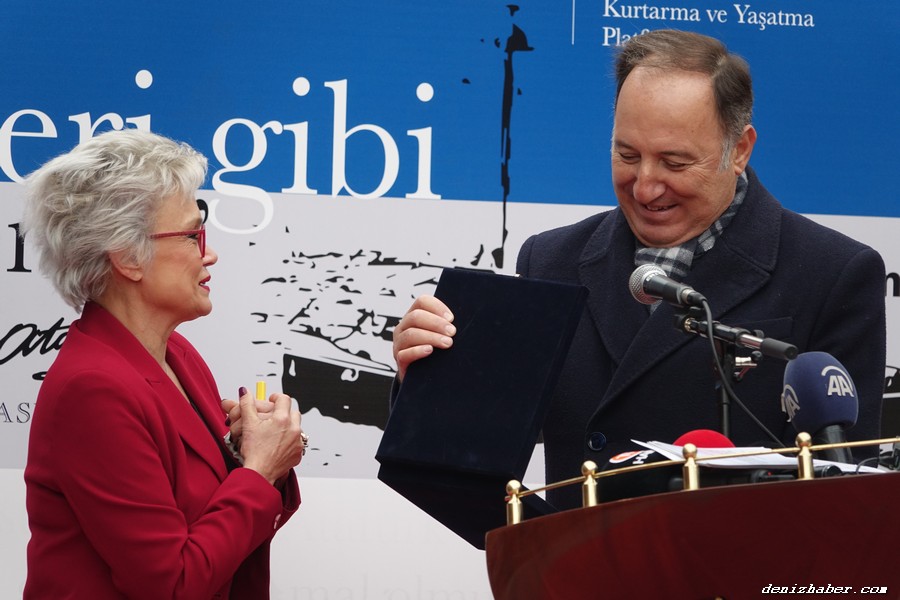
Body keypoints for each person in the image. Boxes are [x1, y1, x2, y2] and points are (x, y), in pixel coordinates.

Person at [392, 29, 886, 510]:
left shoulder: (834, 274)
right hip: (577, 561)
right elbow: (471, 452)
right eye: (627, 155)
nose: (646, 186)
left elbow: (846, 500)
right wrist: (428, 376)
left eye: (674, 162)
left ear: (738, 150)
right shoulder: (550, 260)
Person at [21, 128, 307, 598]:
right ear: (128, 258)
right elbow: (171, 584)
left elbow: (215, 521)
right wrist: (258, 471)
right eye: (193, 235)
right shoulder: (92, 389)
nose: (209, 253)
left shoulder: (179, 356)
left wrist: (250, 452)